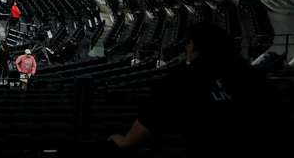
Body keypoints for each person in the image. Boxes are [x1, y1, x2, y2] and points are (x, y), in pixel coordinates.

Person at [108, 22, 283, 157]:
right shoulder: (257, 79)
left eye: (188, 43)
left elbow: (131, 140)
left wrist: (117, 140)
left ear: (192, 46)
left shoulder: (177, 82)